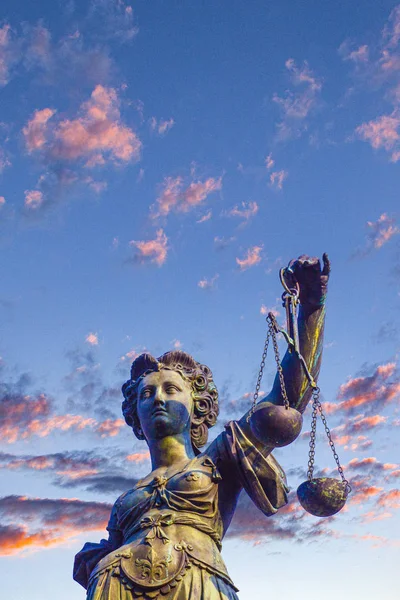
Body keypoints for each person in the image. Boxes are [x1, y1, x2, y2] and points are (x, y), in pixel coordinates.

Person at [73, 254, 330, 599]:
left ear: (198, 407)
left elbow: (288, 400)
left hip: (197, 584)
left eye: (171, 389)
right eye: (147, 393)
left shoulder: (220, 457)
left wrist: (311, 310)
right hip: (114, 588)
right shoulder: (125, 500)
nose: (158, 399)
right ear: (135, 413)